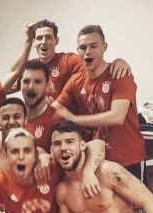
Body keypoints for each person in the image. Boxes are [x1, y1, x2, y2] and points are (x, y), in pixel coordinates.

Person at [53, 25, 145, 179]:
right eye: (83, 47)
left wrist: (74, 119)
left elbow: (117, 116)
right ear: (78, 51)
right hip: (96, 160)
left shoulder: (120, 74)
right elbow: (53, 110)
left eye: (93, 46)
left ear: (104, 47)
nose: (88, 51)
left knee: (135, 196)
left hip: (127, 159)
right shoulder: (76, 81)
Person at [31, 19, 130, 101]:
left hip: (63, 118)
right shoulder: (31, 67)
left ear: (56, 41)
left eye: (48, 37)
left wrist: (119, 61)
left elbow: (96, 66)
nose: (43, 42)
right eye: (39, 38)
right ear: (34, 42)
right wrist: (27, 41)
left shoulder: (69, 60)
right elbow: (18, 74)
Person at [21, 61, 61, 152]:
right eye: (26, 81)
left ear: (47, 85)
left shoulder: (57, 121)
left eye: (37, 82)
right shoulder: (11, 119)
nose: (31, 87)